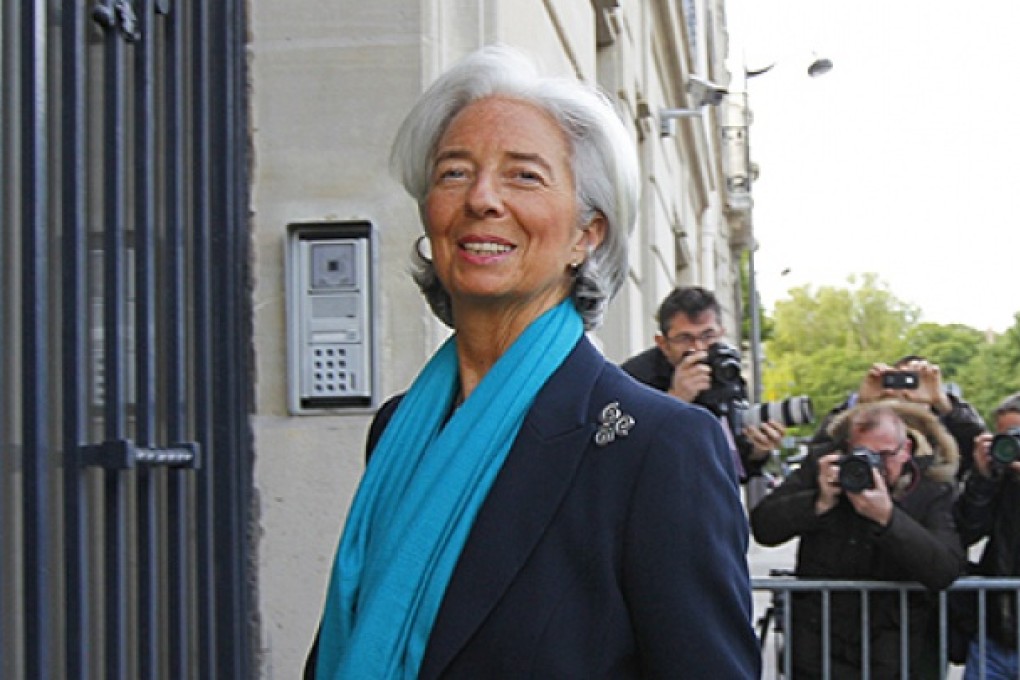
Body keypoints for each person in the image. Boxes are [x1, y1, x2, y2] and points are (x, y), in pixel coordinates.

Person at [304, 45, 760, 679]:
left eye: (524, 175)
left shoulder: (659, 447)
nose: (482, 198)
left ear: (586, 234)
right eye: (454, 172)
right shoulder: (399, 428)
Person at [750, 400, 966, 678]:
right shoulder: (821, 470)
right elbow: (764, 528)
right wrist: (818, 502)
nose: (874, 466)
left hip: (891, 655)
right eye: (862, 454)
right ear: (846, 450)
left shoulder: (930, 489)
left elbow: (944, 570)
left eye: (885, 455)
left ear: (906, 451)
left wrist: (888, 519)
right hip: (817, 650)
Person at [620, 285, 786, 481]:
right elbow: (626, 457)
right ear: (663, 344)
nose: (699, 349)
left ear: (721, 333)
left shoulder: (726, 371)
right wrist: (676, 399)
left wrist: (758, 451)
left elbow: (734, 465)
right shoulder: (633, 380)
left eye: (708, 336)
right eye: (684, 338)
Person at [810, 355, 986, 481]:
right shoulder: (863, 433)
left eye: (915, 381)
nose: (906, 393)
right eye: (897, 380)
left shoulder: (946, 442)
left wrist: (944, 405)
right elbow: (815, 458)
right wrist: (859, 405)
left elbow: (983, 453)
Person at [953, 392, 1020, 679]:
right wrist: (982, 477)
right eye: (1006, 437)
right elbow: (966, 532)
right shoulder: (1001, 480)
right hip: (996, 637)